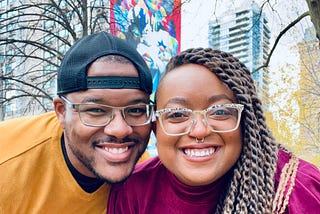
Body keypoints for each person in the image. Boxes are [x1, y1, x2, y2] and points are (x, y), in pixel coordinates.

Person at [107, 48, 320, 213]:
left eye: (219, 112)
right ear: (156, 127)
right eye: (177, 114)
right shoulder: (132, 192)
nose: (199, 131)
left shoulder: (298, 188)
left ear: (246, 122)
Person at [0, 31, 154, 213]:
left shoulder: (147, 178)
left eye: (135, 110)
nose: (120, 130)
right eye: (96, 110)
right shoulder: (6, 162)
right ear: (62, 112)